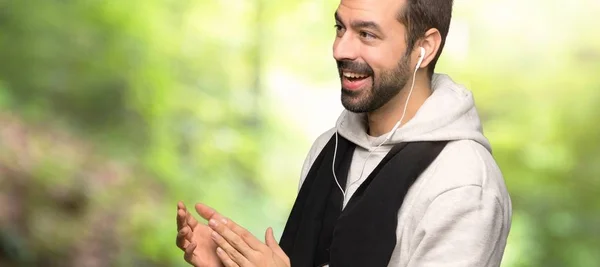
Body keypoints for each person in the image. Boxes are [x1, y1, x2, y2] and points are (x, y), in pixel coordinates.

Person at [176, 0, 512, 266]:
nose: (341, 50)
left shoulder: (463, 182)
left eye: (367, 34)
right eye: (340, 28)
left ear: (423, 47)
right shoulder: (328, 149)